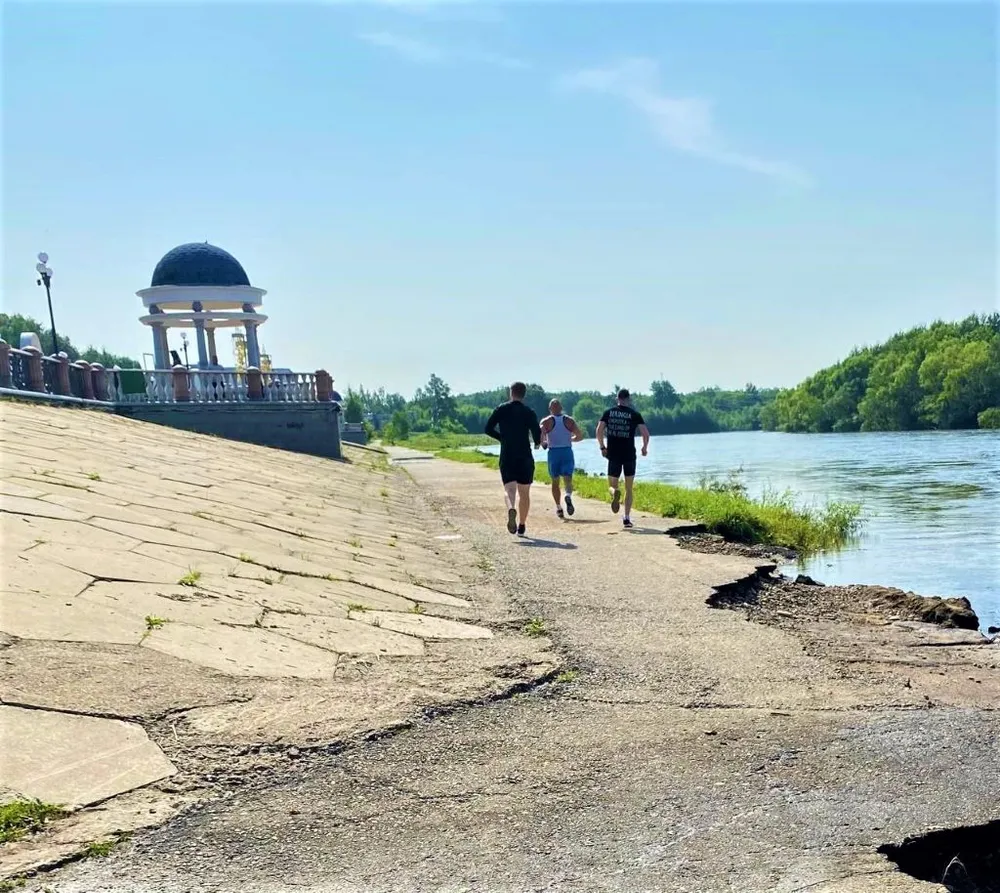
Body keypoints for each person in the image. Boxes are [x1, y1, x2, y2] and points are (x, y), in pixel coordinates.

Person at [485, 381, 541, 536]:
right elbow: (536, 433)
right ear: (524, 394)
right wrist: (537, 443)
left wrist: (502, 438)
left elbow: (488, 428)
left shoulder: (501, 409)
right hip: (524, 455)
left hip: (507, 454)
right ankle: (522, 525)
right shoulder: (529, 411)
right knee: (524, 492)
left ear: (511, 392)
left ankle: (511, 508)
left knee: (509, 489)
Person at [596, 388, 650, 529]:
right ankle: (626, 518)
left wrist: (602, 446)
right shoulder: (634, 414)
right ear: (629, 399)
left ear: (617, 398)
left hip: (613, 454)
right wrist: (644, 447)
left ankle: (614, 493)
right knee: (629, 488)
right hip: (629, 455)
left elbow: (599, 430)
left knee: (611, 485)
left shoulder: (608, 413)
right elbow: (645, 433)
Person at [540, 398, 584, 519]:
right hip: (566, 451)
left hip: (553, 452)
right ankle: (568, 496)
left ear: (550, 409)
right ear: (561, 408)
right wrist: (571, 439)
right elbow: (580, 436)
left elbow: (541, 435)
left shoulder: (546, 421)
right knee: (568, 479)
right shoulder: (569, 420)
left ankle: (559, 507)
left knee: (555, 481)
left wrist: (543, 443)